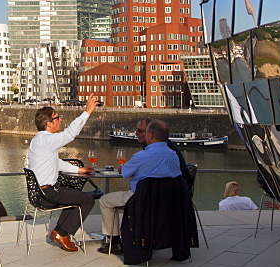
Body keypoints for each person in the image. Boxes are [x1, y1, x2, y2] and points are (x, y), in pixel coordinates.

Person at [26, 94, 99, 252]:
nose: (61, 120)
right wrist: (87, 111)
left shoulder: (39, 141)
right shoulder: (46, 140)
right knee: (87, 200)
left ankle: (59, 232)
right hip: (48, 193)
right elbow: (70, 134)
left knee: (74, 194)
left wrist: (79, 170)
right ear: (48, 123)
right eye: (57, 118)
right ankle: (62, 233)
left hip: (42, 193)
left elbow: (56, 163)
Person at [97, 119, 181, 254]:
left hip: (141, 199)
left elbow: (124, 172)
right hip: (167, 201)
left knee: (105, 201)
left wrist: (123, 168)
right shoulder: (173, 156)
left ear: (151, 135)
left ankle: (114, 242)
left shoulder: (142, 156)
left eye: (144, 132)